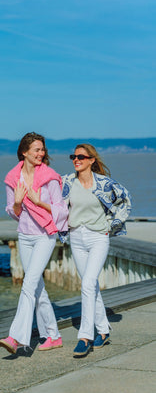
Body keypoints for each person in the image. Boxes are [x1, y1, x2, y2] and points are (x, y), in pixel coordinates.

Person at [0, 132, 69, 354]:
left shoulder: (49, 176)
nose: (41, 153)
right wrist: (18, 203)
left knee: (28, 284)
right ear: (24, 152)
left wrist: (39, 202)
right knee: (37, 287)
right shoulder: (12, 178)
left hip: (44, 235)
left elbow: (62, 209)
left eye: (43, 149)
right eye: (37, 149)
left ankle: (15, 337)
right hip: (25, 235)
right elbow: (13, 211)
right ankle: (53, 336)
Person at [62, 143, 132, 357]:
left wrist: (112, 226)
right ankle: (103, 330)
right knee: (90, 286)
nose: (77, 160)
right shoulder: (66, 182)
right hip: (76, 237)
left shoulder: (104, 183)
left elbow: (126, 201)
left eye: (82, 157)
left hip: (98, 238)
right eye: (74, 156)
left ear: (92, 160)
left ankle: (85, 336)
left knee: (87, 283)